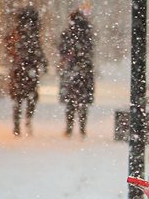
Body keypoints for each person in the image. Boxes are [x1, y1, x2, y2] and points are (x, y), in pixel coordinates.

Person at [6, 7, 47, 137]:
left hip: (18, 69)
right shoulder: (33, 34)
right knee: (31, 97)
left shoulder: (16, 33)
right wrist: (43, 63)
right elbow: (38, 51)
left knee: (18, 99)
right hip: (30, 70)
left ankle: (17, 124)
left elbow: (9, 47)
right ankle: (28, 119)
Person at [57, 10, 95, 137]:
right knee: (83, 102)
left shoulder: (67, 34)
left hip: (71, 70)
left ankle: (69, 127)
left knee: (70, 102)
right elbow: (90, 51)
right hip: (84, 71)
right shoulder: (87, 34)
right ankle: (82, 128)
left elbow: (62, 50)